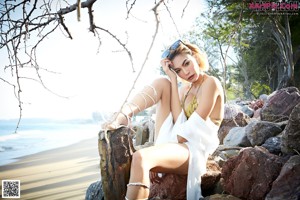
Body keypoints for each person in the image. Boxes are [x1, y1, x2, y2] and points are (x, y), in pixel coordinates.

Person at [102, 39, 224, 200]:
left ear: (195, 56)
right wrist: (172, 79)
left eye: (187, 63)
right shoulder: (185, 89)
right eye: (179, 70)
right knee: (163, 82)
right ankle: (124, 114)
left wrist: (156, 155)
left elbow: (188, 132)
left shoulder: (211, 83)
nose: (185, 73)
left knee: (141, 157)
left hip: (194, 148)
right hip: (178, 141)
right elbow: (179, 121)